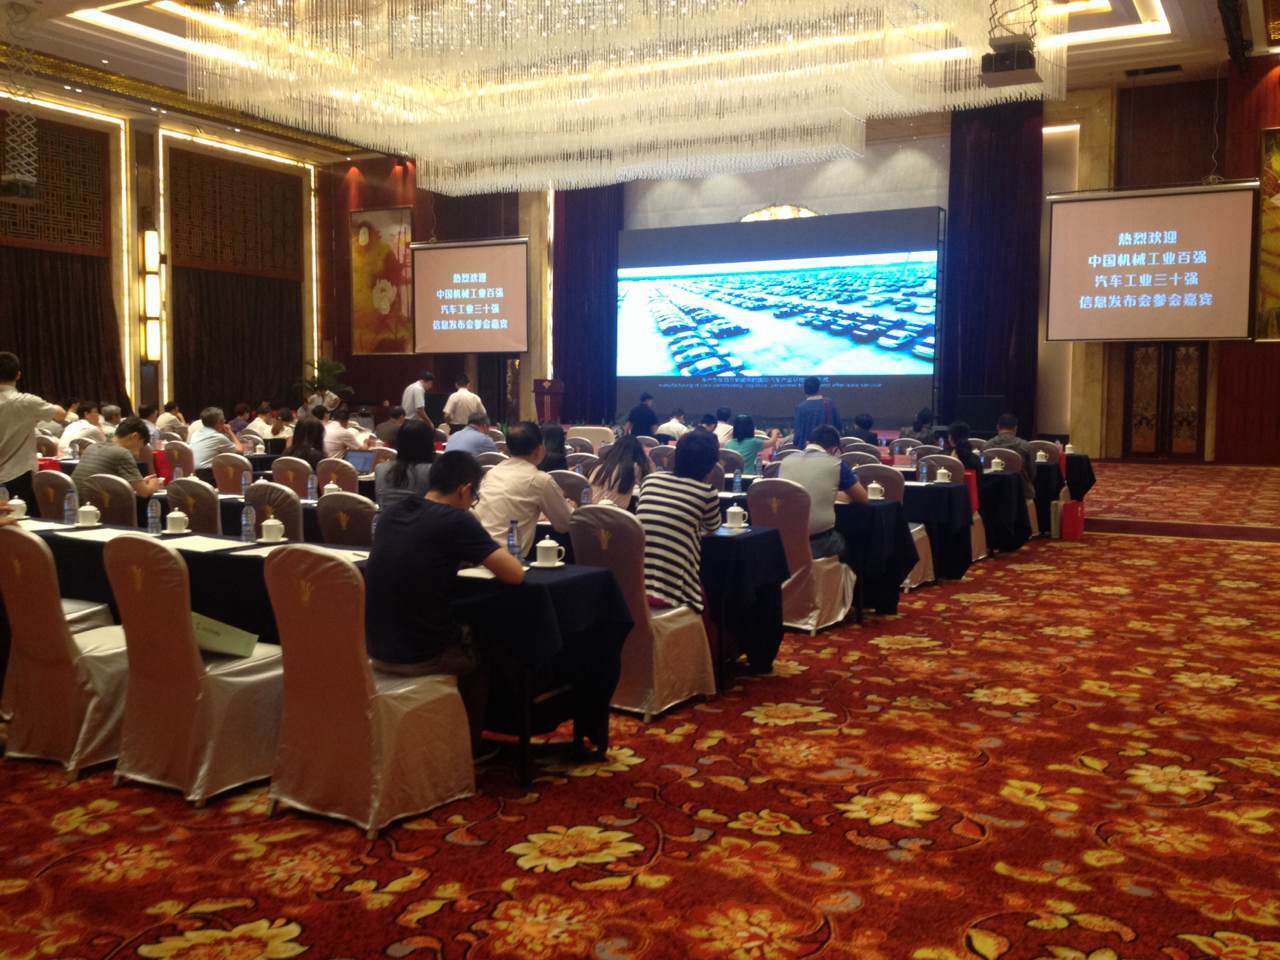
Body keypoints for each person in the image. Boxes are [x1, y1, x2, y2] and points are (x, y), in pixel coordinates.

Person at [365, 451, 524, 753]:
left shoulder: (392, 513)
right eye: (474, 497)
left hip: (375, 647)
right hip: (422, 655)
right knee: (488, 645)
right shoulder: (457, 520)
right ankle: (468, 746)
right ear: (466, 489)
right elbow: (514, 574)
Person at [635, 429, 721, 611]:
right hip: (673, 591)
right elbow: (713, 528)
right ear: (711, 465)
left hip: (634, 585)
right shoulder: (706, 492)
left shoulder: (650, 480)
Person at [475, 421, 574, 557]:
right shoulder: (539, 479)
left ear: (507, 449)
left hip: (476, 553)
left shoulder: (492, 473)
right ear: (540, 449)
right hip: (506, 560)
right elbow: (566, 524)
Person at [780, 424, 867, 560]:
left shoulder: (785, 461)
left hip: (783, 541)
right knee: (852, 542)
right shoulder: (836, 464)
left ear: (807, 443)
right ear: (834, 450)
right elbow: (862, 498)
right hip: (818, 542)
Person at [0, 351, 64, 505]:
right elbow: (61, 415)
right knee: (21, 518)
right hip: (17, 474)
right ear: (18, 375)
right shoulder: (26, 402)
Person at [71, 416, 163, 500]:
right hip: (97, 507)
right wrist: (153, 485)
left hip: (75, 505)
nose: (138, 454)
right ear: (134, 436)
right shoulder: (122, 453)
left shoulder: (91, 447)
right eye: (140, 447)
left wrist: (139, 483)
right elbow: (144, 493)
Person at [374, 419, 434, 510]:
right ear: (429, 444)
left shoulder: (380, 468)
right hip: (423, 518)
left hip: (386, 518)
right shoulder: (433, 471)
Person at [587, 434, 653, 510]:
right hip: (616, 513)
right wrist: (644, 456)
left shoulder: (599, 464)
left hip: (590, 511)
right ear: (637, 452)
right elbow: (650, 482)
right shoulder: (634, 467)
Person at [982, 413, 1035, 497]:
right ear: (1016, 428)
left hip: (992, 494)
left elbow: (982, 471)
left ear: (998, 427)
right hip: (1021, 494)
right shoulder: (1025, 446)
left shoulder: (987, 446)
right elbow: (1032, 473)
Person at [793, 376, 842, 449]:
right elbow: (838, 426)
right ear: (819, 388)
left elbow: (797, 436)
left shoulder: (801, 408)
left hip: (807, 449)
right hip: (828, 449)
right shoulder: (829, 404)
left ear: (804, 390)